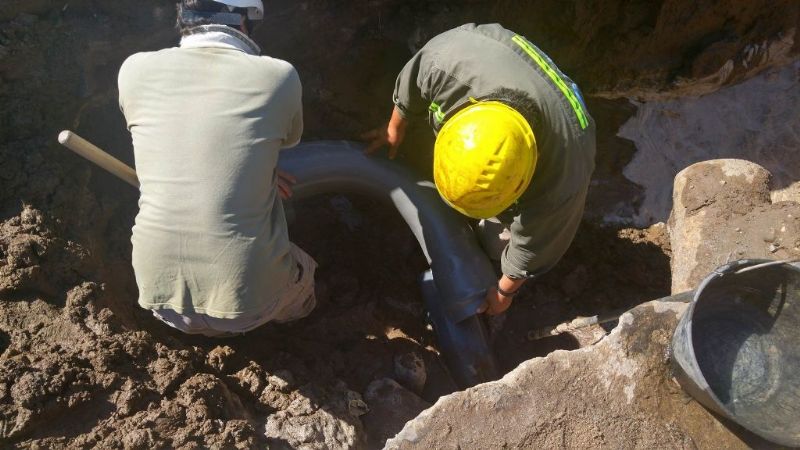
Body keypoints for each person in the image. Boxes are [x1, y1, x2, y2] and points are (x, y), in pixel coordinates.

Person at [364, 23, 596, 316]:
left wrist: (502, 293)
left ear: (520, 183)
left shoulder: (562, 180)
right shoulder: (445, 61)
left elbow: (533, 246)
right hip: (487, 59)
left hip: (560, 125)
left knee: (498, 246)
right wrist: (394, 128)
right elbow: (414, 81)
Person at [117, 0, 317, 336]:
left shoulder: (133, 69)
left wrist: (258, 171)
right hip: (250, 300)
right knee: (304, 274)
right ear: (245, 22)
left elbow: (181, 135)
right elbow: (287, 139)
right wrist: (262, 169)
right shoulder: (278, 76)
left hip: (160, 298)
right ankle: (295, 321)